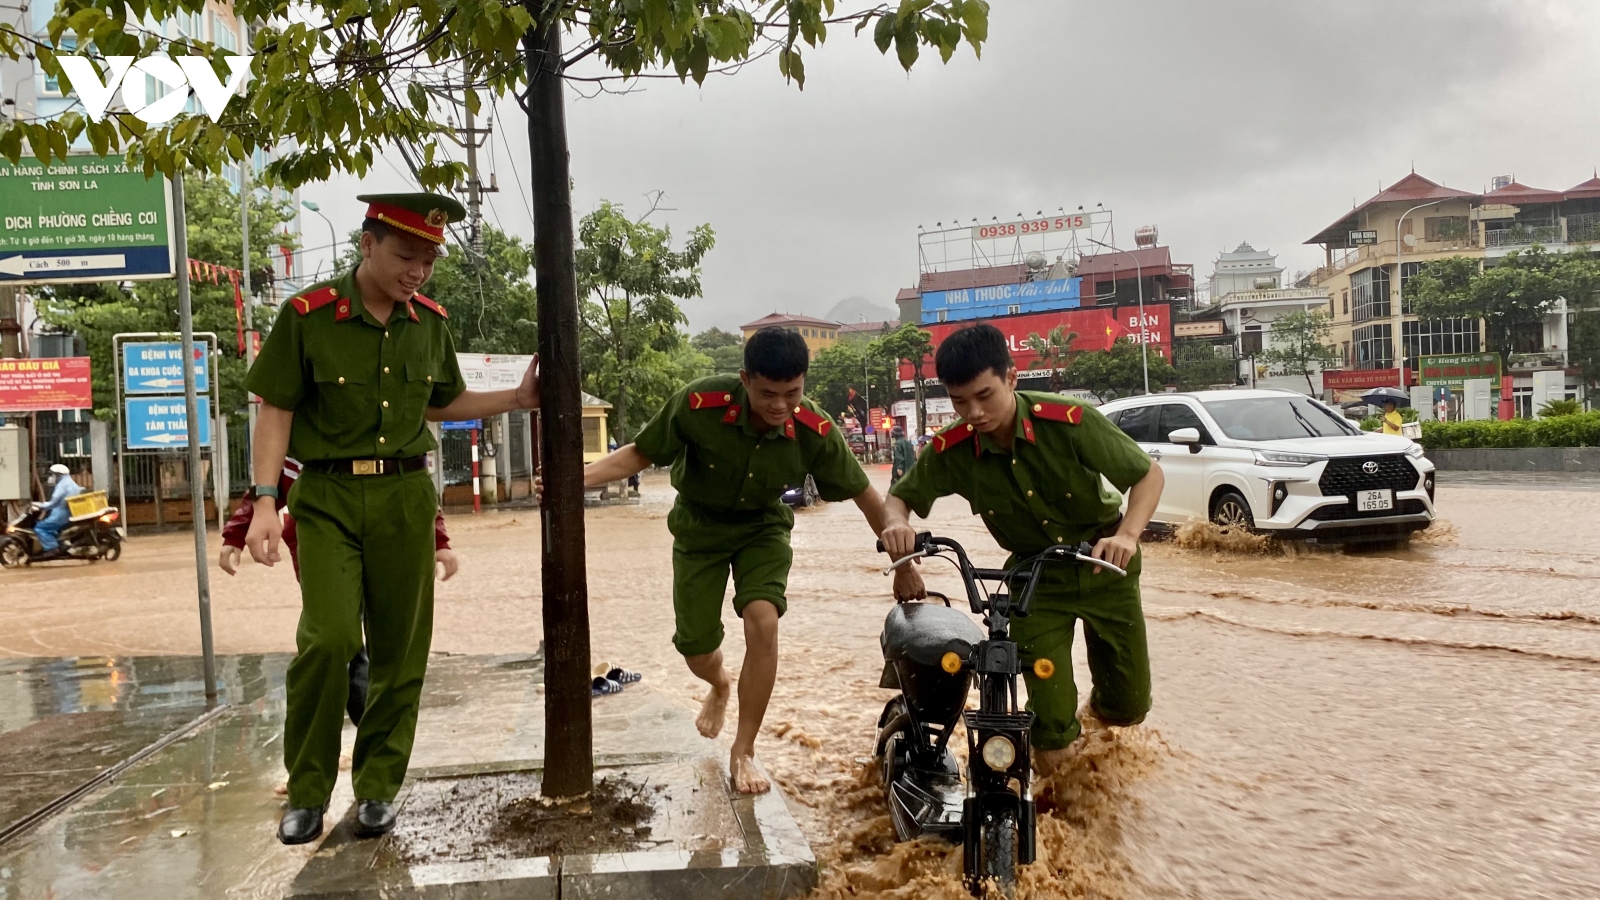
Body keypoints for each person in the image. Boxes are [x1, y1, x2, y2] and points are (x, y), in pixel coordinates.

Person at [244, 192, 540, 845]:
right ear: (368, 244)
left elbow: (443, 400)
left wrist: (516, 399)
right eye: (407, 255)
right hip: (325, 497)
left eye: (429, 261)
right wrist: (265, 501)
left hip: (406, 499)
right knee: (325, 642)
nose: (418, 271)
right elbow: (276, 410)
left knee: (400, 655)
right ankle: (308, 790)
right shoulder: (307, 316)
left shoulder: (429, 322)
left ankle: (377, 787)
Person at [567, 326, 921, 794]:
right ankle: (719, 685)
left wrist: (905, 568)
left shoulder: (814, 429)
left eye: (791, 393)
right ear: (745, 379)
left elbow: (865, 495)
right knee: (695, 649)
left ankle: (744, 750)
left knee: (763, 619)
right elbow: (637, 454)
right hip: (699, 529)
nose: (780, 406)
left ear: (803, 383)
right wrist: (571, 479)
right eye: (767, 393)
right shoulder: (700, 404)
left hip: (762, 528)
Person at [878, 324, 1165, 774]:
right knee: (1050, 721)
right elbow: (900, 497)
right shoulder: (951, 448)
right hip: (1033, 582)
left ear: (1012, 378)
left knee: (1128, 706)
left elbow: (1148, 475)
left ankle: (1097, 735)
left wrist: (1127, 535)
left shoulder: (1069, 423)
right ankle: (1060, 793)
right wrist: (897, 524)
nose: (973, 412)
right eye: (959, 401)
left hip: (1103, 566)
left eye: (984, 395)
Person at [218, 458, 460, 726]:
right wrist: (236, 535)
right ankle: (347, 726)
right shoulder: (306, 444)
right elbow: (269, 488)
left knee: (386, 641)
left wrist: (439, 541)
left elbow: (413, 486)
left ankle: (377, 733)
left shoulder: (387, 441)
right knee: (338, 639)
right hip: (322, 557)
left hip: (383, 547)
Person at [34, 463, 82, 559]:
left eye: (52, 474)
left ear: (57, 474)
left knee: (40, 527)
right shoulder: (70, 482)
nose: (51, 477)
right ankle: (61, 545)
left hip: (60, 514)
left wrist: (40, 506)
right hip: (68, 513)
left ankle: (51, 548)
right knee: (52, 528)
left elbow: (53, 503)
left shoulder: (62, 485)